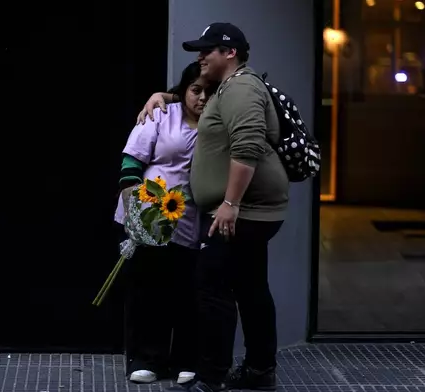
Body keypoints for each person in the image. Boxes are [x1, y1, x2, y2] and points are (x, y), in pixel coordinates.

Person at [137, 23, 289, 392]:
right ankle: (258, 370)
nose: (200, 56)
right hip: (249, 209)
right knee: (251, 288)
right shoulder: (230, 88)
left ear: (230, 52)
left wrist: (230, 203)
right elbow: (207, 106)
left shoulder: (241, 88)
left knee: (212, 286)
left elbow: (248, 145)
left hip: (244, 210)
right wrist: (164, 96)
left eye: (207, 50)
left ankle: (211, 377)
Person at [114, 61, 216, 385]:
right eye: (195, 90)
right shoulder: (159, 113)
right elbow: (132, 160)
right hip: (147, 213)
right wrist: (134, 214)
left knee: (187, 292)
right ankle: (145, 360)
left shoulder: (218, 124)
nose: (201, 98)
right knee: (146, 290)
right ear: (183, 90)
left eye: (209, 92)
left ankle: (184, 360)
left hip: (189, 219)